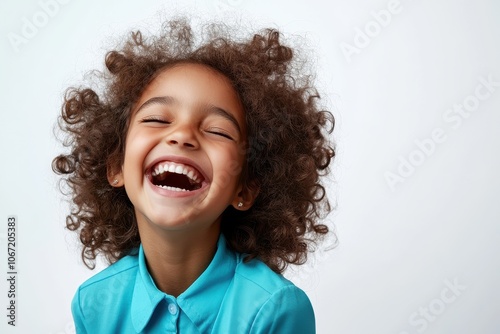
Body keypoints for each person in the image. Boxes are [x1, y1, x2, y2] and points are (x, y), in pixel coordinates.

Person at [53, 17, 335, 334]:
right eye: (158, 119)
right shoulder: (93, 304)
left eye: (217, 130)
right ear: (117, 165)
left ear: (244, 189)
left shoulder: (273, 309)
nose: (182, 135)